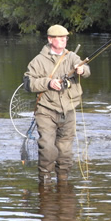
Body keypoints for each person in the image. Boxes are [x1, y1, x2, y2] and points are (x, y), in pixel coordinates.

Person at [23, 24, 90, 185]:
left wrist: (82, 70)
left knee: (65, 150)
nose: (63, 41)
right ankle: (45, 183)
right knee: (47, 148)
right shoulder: (38, 61)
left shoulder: (72, 56)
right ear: (50, 40)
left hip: (69, 110)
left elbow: (86, 70)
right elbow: (28, 83)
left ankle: (63, 182)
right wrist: (48, 83)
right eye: (59, 38)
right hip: (46, 110)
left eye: (65, 38)